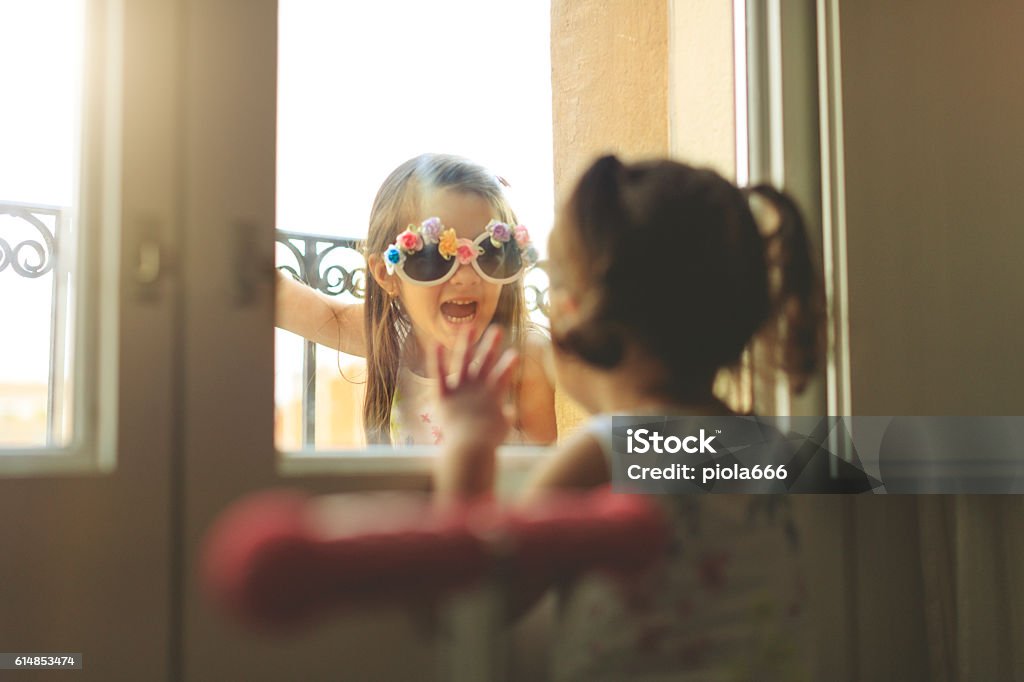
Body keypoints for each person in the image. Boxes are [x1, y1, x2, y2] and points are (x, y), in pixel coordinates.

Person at [432, 155, 823, 680]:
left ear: (576, 315)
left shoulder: (611, 452)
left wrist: (466, 443)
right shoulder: (767, 447)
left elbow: (482, 596)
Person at [276, 153, 557, 446]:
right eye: (433, 256)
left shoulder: (523, 357)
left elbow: (549, 486)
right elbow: (284, 299)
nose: (465, 276)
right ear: (387, 274)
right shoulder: (392, 339)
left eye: (491, 252)